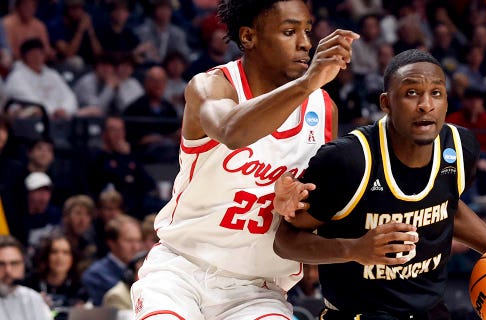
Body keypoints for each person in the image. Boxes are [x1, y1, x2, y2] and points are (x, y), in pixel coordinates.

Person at [130, 1, 359, 319]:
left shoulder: (323, 110)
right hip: (180, 271)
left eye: (307, 31)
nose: (305, 43)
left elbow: (315, 213)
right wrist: (307, 83)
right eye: (289, 32)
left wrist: (297, 204)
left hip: (257, 288)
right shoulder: (212, 86)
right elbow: (231, 130)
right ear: (249, 37)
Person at [272, 49, 486, 319]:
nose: (426, 105)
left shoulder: (460, 148)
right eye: (412, 93)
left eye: (436, 93)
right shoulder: (348, 161)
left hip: (432, 312)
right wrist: (354, 249)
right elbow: (285, 241)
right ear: (386, 103)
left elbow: (447, 208)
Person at [0, 235, 52, 320]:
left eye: (14, 263)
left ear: (24, 266)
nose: (8, 270)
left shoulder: (33, 298)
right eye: (1, 264)